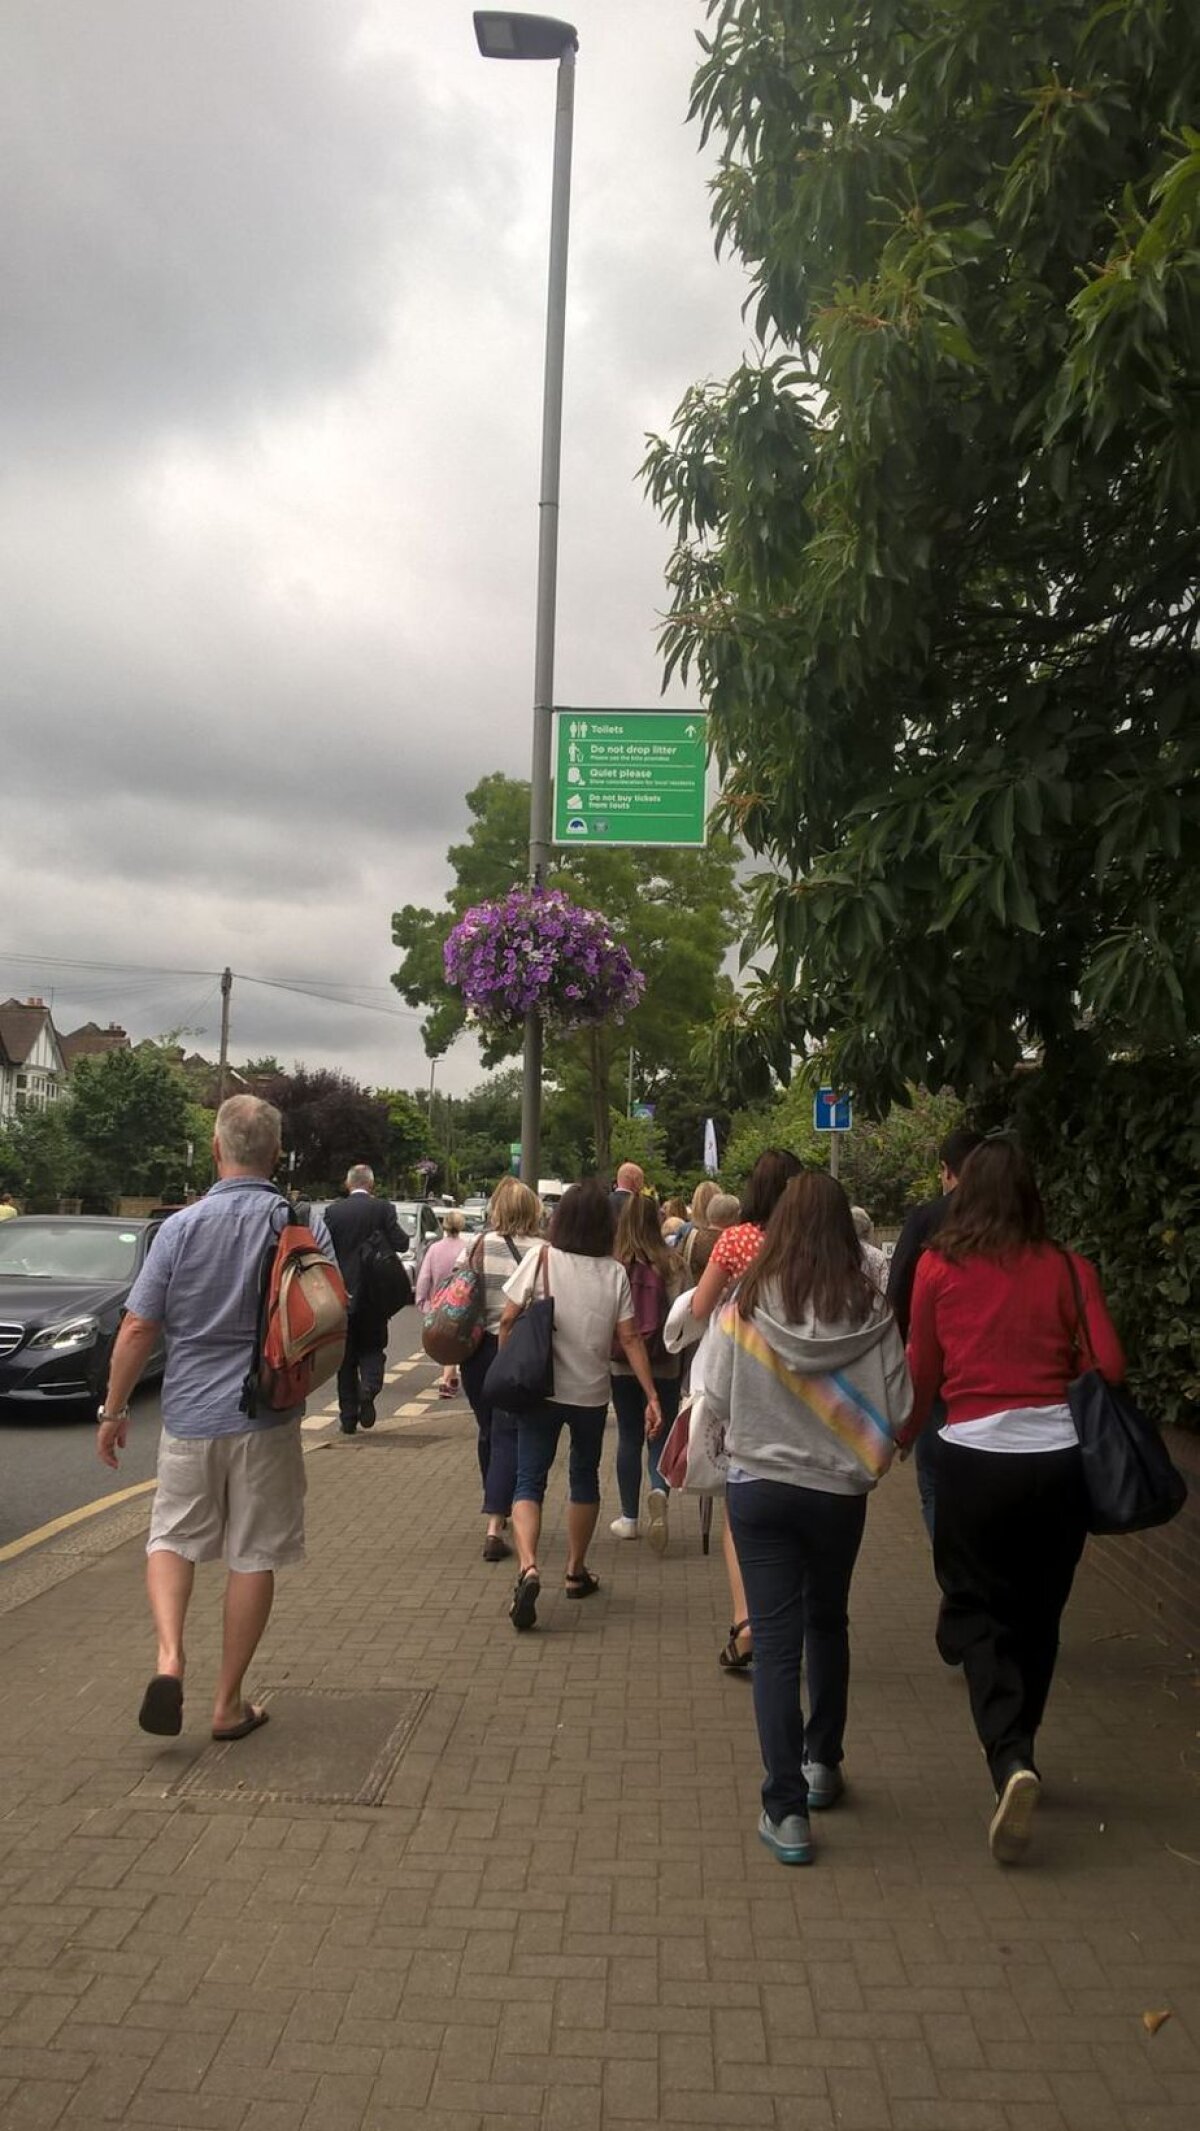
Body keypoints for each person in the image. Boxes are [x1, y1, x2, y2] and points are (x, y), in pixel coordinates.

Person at [901, 1138, 1125, 1865]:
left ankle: (1010, 1758)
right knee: (1039, 1611)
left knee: (972, 1606)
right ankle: (1023, 1739)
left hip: (974, 1457)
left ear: (963, 1192)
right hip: (1060, 1463)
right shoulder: (1068, 1266)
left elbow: (922, 1372)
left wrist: (899, 1437)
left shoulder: (938, 1266)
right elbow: (1110, 1366)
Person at [96, 1095, 335, 1741]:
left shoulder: (178, 1228)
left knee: (171, 1536)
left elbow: (139, 1325)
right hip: (267, 1415)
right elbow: (327, 1316)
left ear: (215, 1148)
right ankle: (227, 1704)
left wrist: (114, 1410)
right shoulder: (300, 1224)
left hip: (188, 1416)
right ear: (276, 1153)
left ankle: (170, 1657)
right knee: (252, 1554)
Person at [707, 1173, 911, 1865]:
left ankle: (786, 1810)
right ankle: (824, 1763)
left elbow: (714, 1391)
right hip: (836, 1491)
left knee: (774, 1643)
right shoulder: (872, 1307)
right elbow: (903, 1399)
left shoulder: (746, 1301)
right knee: (829, 1619)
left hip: (759, 1487)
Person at [499, 1179, 662, 1632]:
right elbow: (629, 1338)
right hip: (591, 1393)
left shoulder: (542, 1258)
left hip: (541, 1390)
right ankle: (575, 1571)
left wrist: (508, 1362)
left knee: (529, 1478)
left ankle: (528, 1567)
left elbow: (509, 1317)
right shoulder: (614, 1272)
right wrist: (651, 1395)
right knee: (583, 1477)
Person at [689, 1149, 804, 1672]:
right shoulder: (811, 1241)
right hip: (808, 1385)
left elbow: (698, 1306)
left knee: (743, 1496)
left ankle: (747, 1620)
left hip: (744, 1379)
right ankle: (792, 1615)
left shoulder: (736, 1239)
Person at [886, 1127, 985, 1536]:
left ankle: (952, 1566)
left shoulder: (928, 1218)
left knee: (935, 1481)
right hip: (994, 1375)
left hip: (938, 1372)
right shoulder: (1015, 1222)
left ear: (945, 1171)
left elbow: (897, 1292)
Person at [457, 1179, 544, 1561]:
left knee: (489, 1429)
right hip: (519, 1351)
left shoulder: (476, 1246)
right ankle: (495, 1522)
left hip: (477, 1353)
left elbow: (460, 1294)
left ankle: (495, 1497)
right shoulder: (543, 1252)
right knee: (509, 1432)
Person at [610, 1192, 687, 1551]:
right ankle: (659, 1490)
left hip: (623, 1362)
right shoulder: (674, 1263)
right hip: (665, 1363)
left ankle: (628, 1518)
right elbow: (688, 1315)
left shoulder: (615, 1265)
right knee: (662, 1434)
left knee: (629, 1435)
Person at [324, 1166, 406, 1433]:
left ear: (348, 1185)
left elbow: (324, 1250)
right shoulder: (383, 1209)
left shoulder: (334, 1212)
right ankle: (369, 1388)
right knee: (373, 1348)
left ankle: (347, 1418)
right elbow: (402, 1243)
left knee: (344, 1359)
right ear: (372, 1186)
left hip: (341, 1295)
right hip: (374, 1295)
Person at [415, 1208, 469, 1398]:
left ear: (444, 1226)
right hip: (463, 1302)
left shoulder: (435, 1248)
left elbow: (424, 1277)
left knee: (445, 1341)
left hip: (438, 1301)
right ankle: (450, 1379)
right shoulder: (468, 1247)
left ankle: (447, 1381)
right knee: (454, 1340)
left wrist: (422, 1301)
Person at [851, 1206, 890, 1295]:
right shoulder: (878, 1256)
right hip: (873, 1307)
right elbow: (885, 1289)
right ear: (868, 1228)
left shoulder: (841, 1255)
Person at [609, 1160, 645, 1230]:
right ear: (635, 1180)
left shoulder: (601, 1203)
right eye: (642, 1180)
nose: (642, 1185)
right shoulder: (641, 1206)